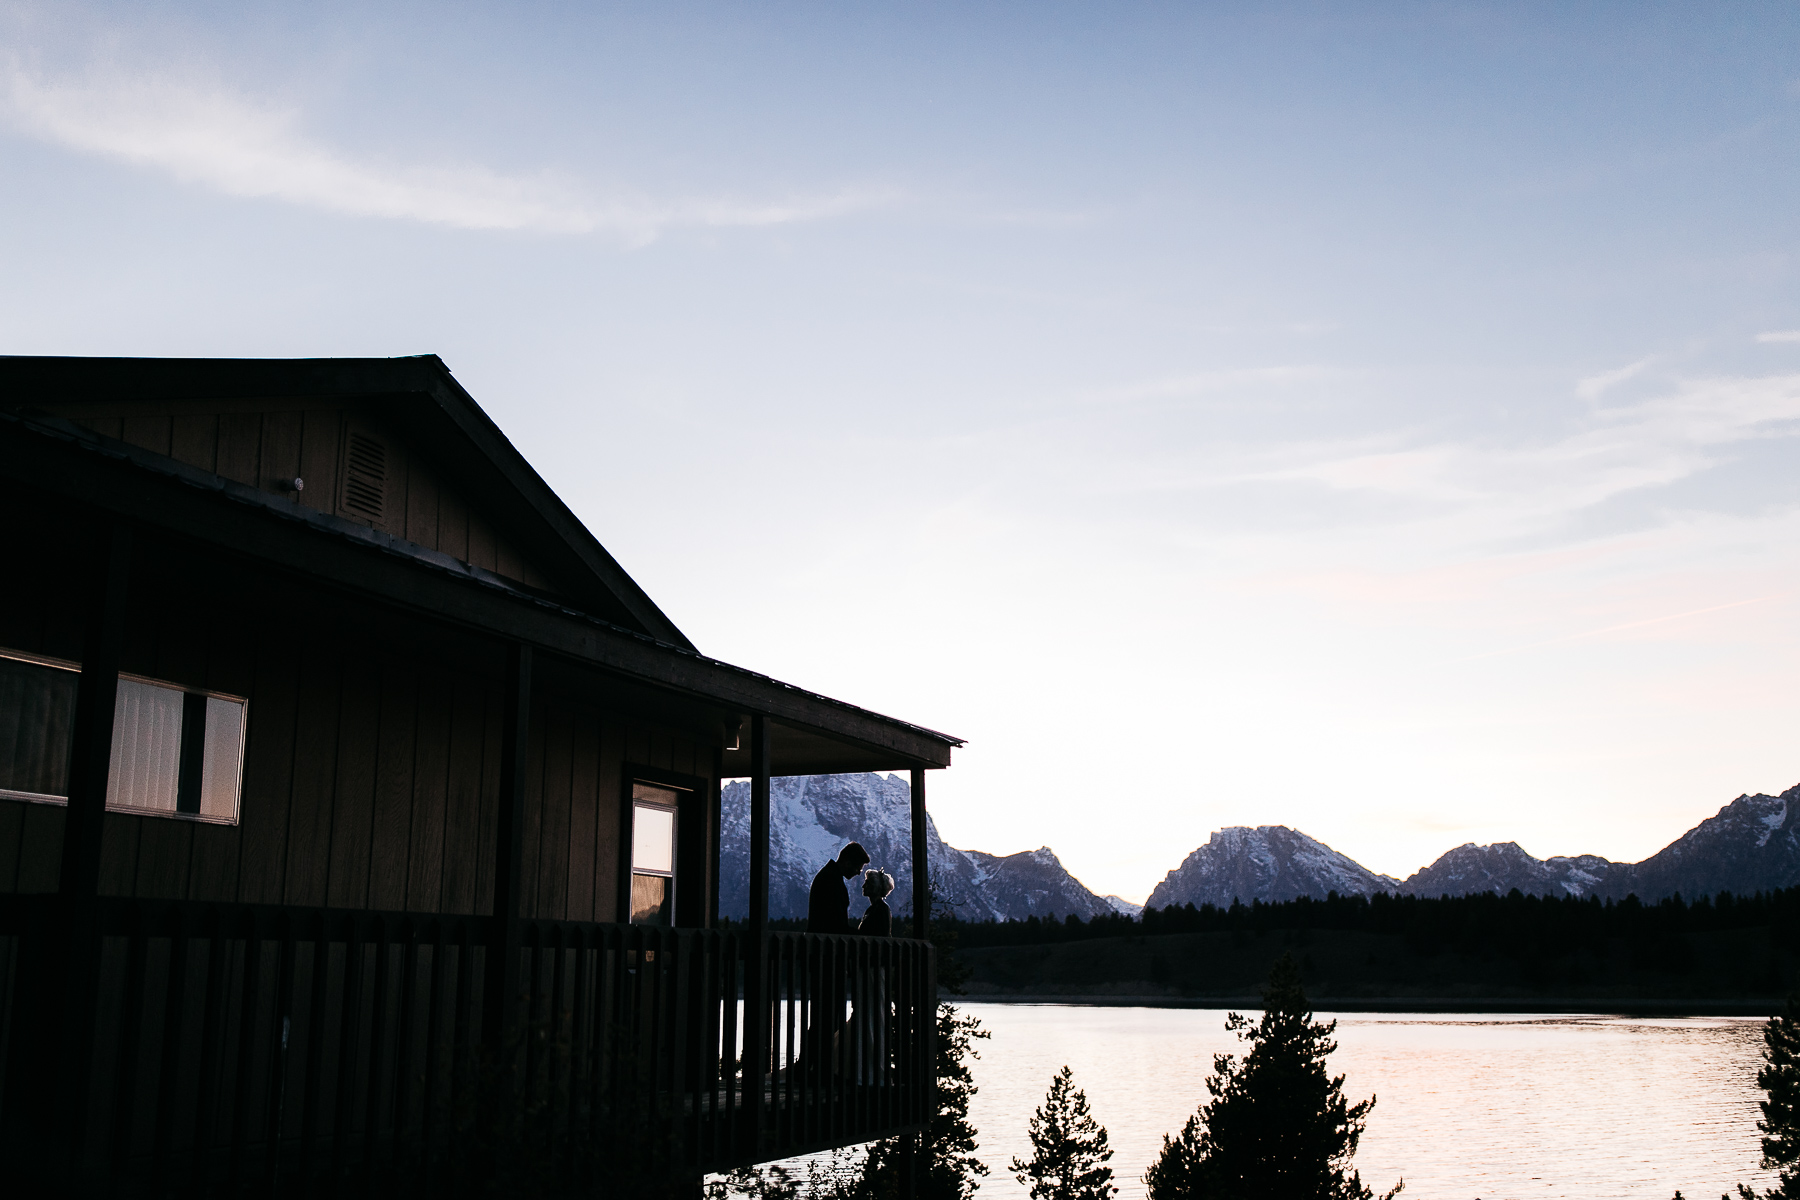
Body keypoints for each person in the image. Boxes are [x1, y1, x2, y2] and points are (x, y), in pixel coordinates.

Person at [795, 843, 870, 1077]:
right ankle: (813, 1068)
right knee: (826, 1014)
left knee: (825, 1014)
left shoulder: (828, 877)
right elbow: (833, 925)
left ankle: (812, 1066)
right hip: (826, 958)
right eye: (858, 867)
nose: (859, 872)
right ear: (847, 861)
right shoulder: (830, 881)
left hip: (825, 957)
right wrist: (862, 935)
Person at [850, 869, 895, 1084]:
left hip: (873, 970)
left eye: (866, 883)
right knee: (864, 1014)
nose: (863, 887)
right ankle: (863, 1069)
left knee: (872, 1014)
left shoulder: (881, 910)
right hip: (866, 969)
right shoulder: (873, 910)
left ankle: (871, 1071)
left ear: (875, 887)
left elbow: (878, 939)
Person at [807, 843, 871, 933]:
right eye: (858, 869)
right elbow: (835, 925)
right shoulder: (831, 880)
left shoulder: (829, 875)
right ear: (848, 863)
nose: (858, 873)